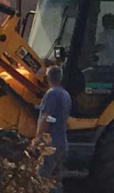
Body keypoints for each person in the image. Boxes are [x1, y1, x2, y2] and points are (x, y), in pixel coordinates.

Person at [35, 65, 72, 193]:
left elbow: (46, 118)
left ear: (47, 78)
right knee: (55, 180)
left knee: (41, 179)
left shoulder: (51, 94)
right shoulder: (66, 94)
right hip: (62, 143)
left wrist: (38, 138)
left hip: (50, 144)